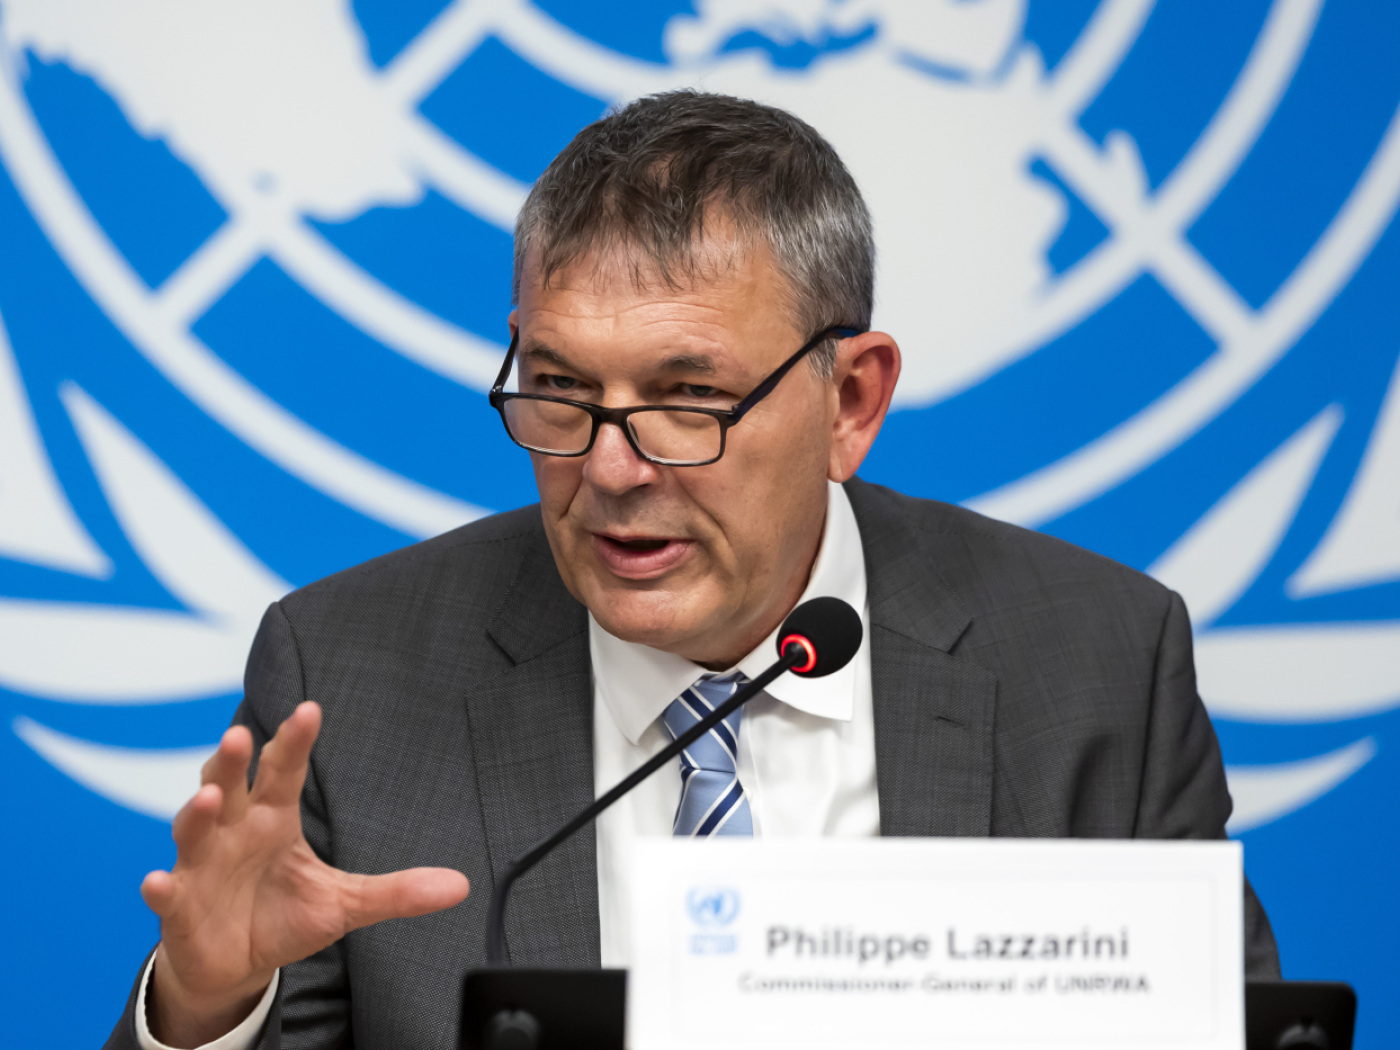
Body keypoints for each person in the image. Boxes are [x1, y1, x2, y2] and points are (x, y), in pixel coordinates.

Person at [105, 91, 1279, 1050]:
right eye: (559, 388)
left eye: (687, 398)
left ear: (849, 401)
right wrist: (207, 1005)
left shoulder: (1095, 665)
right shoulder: (349, 680)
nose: (610, 468)